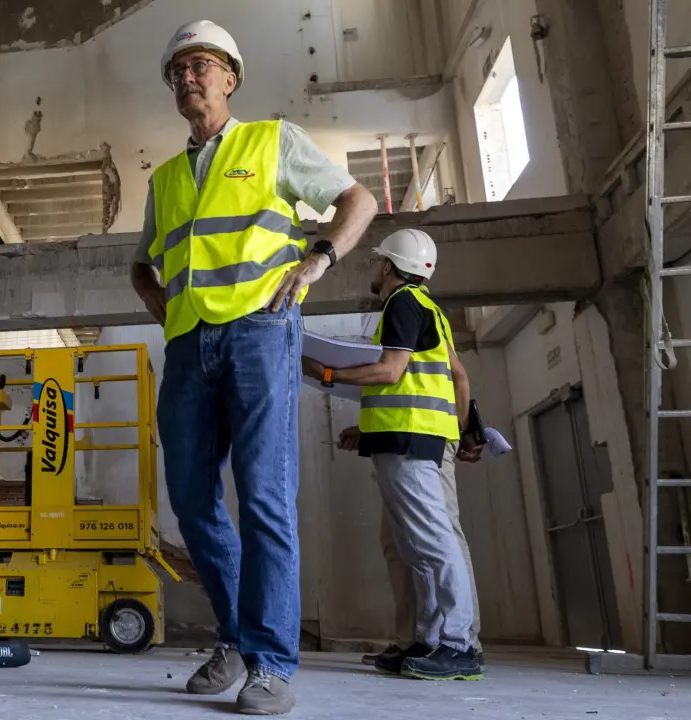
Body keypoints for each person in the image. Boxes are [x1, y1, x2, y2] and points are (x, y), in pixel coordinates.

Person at [132, 20, 377, 715]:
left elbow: (358, 201)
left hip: (260, 332)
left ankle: (269, 663)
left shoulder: (272, 141)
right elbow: (141, 264)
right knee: (191, 499)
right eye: (178, 70)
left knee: (264, 495)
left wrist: (318, 259)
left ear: (230, 77)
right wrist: (162, 306)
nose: (188, 78)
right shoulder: (165, 178)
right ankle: (238, 639)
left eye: (201, 65)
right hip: (189, 345)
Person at [302, 228, 484, 681]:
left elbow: (390, 371)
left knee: (432, 543)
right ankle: (427, 640)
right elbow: (453, 376)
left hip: (410, 440)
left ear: (388, 266)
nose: (373, 268)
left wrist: (327, 373)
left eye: (376, 261)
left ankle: (458, 646)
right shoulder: (427, 308)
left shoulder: (401, 303)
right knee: (414, 546)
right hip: (409, 438)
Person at [341, 427, 487, 670]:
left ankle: (461, 643)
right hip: (395, 437)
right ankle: (422, 641)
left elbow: (449, 402)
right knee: (408, 547)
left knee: (439, 539)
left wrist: (465, 431)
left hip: (421, 437)